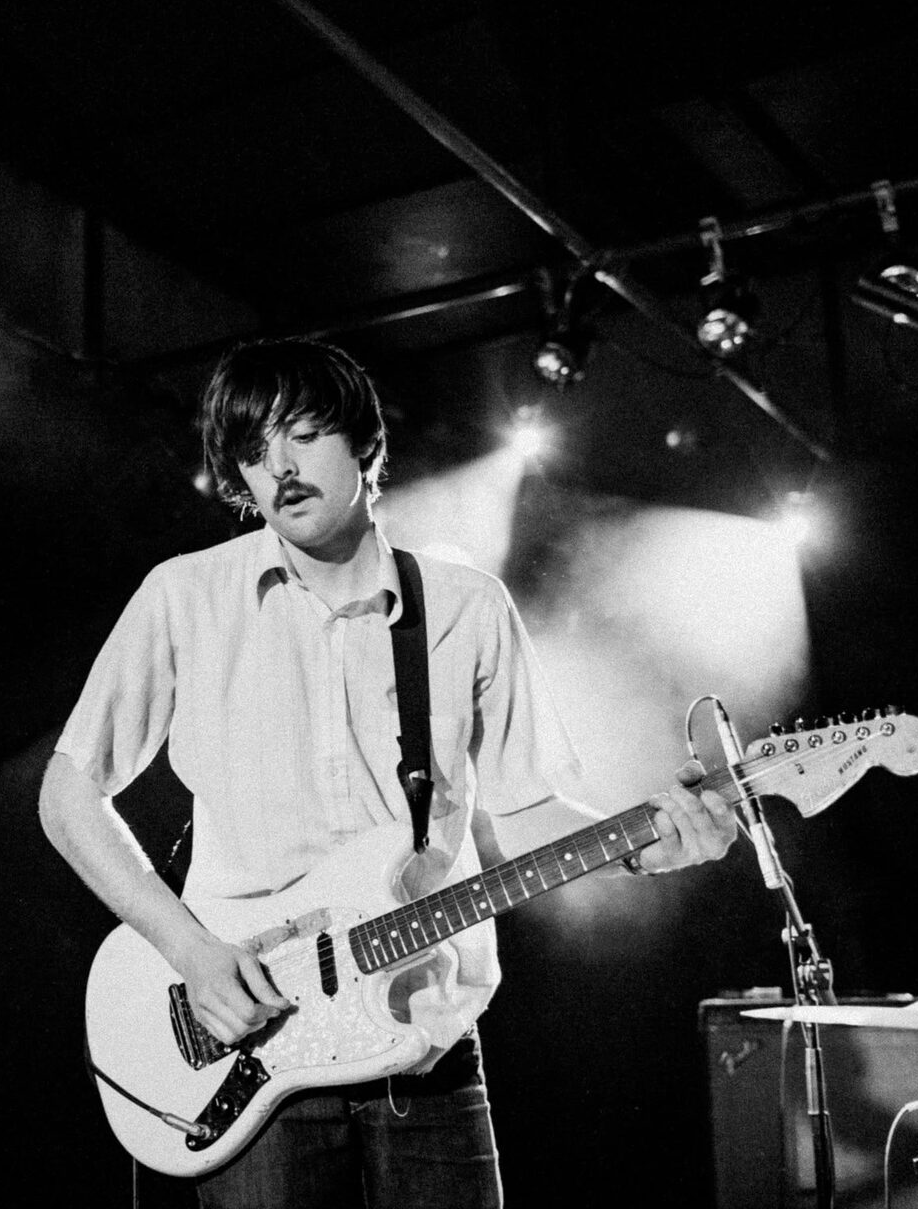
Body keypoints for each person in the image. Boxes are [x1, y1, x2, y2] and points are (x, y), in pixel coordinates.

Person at [38, 338, 738, 1208]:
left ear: (365, 442)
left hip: (428, 1049)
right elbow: (68, 796)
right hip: (254, 1057)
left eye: (301, 434)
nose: (279, 468)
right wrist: (191, 952)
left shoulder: (467, 609)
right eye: (254, 453)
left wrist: (644, 843)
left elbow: (519, 816)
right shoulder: (184, 598)